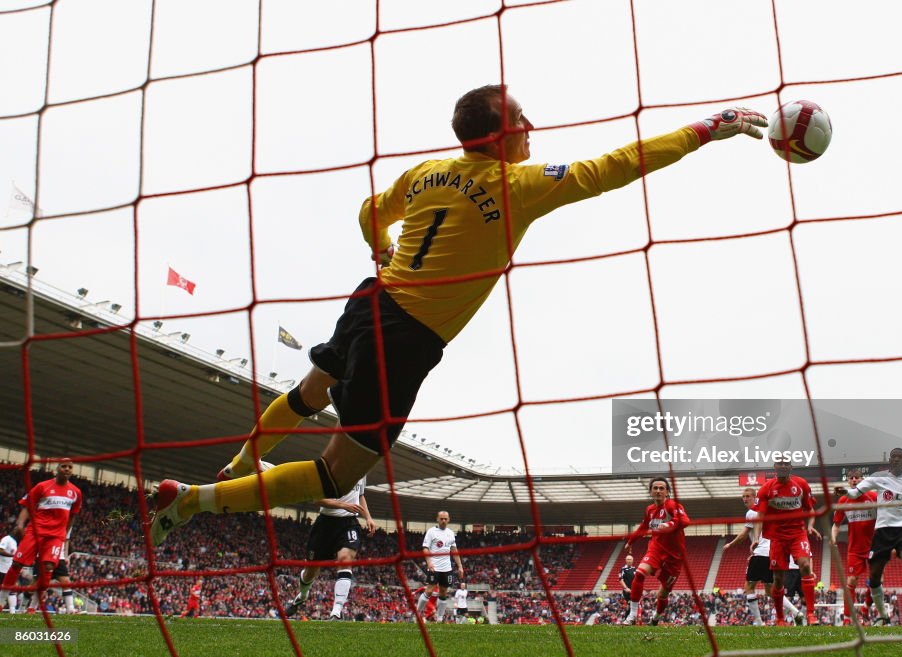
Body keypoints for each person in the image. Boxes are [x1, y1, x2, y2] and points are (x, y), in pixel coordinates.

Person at [148, 85, 768, 546]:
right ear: (500, 134)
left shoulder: (427, 171)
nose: (532, 124)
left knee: (310, 390)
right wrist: (709, 127)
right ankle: (199, 499)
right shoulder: (518, 184)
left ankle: (234, 462)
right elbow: (616, 165)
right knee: (337, 477)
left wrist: (382, 248)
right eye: (521, 116)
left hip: (369, 300)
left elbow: (369, 211)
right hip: (406, 337)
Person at [845, 447, 902, 626]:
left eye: (900, 457)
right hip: (881, 531)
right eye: (893, 457)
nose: (896, 460)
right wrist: (844, 491)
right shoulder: (879, 478)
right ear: (889, 461)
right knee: (875, 576)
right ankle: (882, 615)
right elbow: (855, 493)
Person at [283, 475, 375, 619]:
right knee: (310, 571)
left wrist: (368, 517)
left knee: (345, 560)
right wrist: (343, 505)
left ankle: (336, 612)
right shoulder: (331, 468)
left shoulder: (362, 469)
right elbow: (316, 499)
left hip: (349, 523)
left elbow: (361, 495)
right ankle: (302, 595)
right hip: (325, 524)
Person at [1, 459, 82, 614]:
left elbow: (73, 515)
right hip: (35, 532)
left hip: (55, 536)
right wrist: (20, 524)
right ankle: (1, 600)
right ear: (56, 469)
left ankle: (33, 606)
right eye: (63, 466)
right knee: (17, 564)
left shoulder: (76, 492)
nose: (66, 469)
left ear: (72, 471)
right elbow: (27, 506)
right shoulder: (42, 486)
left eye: (70, 467)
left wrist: (64, 532)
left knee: (48, 568)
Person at [752, 459, 822, 626]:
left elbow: (810, 508)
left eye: (786, 463)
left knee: (805, 565)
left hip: (798, 534)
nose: (783, 466)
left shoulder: (801, 484)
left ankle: (811, 615)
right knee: (778, 579)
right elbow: (759, 517)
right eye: (779, 463)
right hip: (777, 538)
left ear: (790, 467)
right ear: (774, 467)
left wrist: (811, 526)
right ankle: (780, 618)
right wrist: (756, 538)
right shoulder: (766, 489)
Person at [722, 487, 803, 626]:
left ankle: (759, 623)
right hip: (772, 553)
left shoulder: (752, 512)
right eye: (743, 496)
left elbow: (744, 534)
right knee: (771, 591)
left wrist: (731, 544)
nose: (745, 499)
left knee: (748, 587)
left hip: (761, 553)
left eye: (748, 496)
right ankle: (796, 613)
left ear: (755, 497)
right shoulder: (768, 511)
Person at [622, 477, 691, 626]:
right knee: (639, 574)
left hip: (674, 556)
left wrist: (669, 524)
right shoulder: (650, 510)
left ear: (667, 492)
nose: (658, 491)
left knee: (663, 593)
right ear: (650, 491)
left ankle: (657, 617)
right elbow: (643, 527)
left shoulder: (673, 505)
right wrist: (630, 541)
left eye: (661, 488)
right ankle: (632, 615)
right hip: (656, 548)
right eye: (655, 488)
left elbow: (685, 521)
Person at [830, 468, 877, 625]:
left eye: (857, 478)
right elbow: (836, 525)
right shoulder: (843, 501)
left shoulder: (873, 496)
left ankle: (865, 608)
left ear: (862, 479)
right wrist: (832, 538)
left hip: (874, 546)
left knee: (877, 580)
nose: (854, 480)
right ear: (848, 481)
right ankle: (848, 618)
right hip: (854, 549)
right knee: (851, 581)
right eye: (851, 478)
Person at [418, 511, 463, 622]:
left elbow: (454, 550)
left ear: (448, 520)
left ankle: (439, 617)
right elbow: (425, 548)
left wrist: (460, 566)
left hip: (447, 568)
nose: (443, 521)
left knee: (443, 592)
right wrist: (429, 562)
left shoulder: (450, 533)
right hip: (434, 567)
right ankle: (418, 614)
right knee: (429, 590)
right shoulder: (431, 532)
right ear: (437, 519)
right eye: (441, 518)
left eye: (445, 519)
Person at [22, 540, 76, 614]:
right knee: (36, 585)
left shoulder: (65, 528)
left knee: (66, 582)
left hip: (59, 556)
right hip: (44, 553)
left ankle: (71, 610)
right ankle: (25, 607)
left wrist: (65, 556)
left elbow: (66, 539)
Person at [0, 529, 17, 612]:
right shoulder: (6, 539)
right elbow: (0, 550)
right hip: (1, 569)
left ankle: (12, 611)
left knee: (11, 589)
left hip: (9, 569)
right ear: (14, 531)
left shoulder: (15, 542)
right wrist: (12, 555)